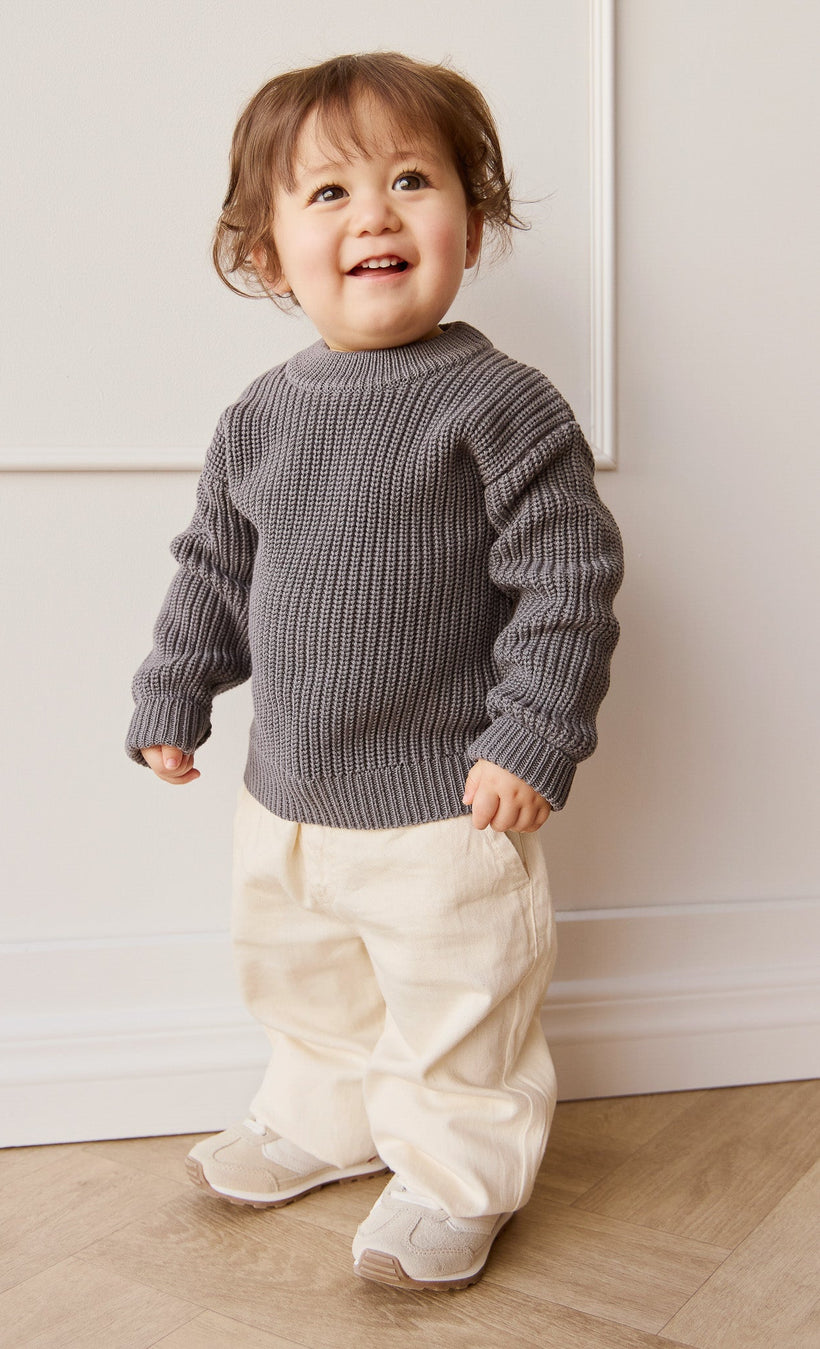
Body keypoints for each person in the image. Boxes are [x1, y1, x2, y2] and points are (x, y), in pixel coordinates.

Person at [126, 50, 623, 1291]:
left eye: (411, 181)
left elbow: (567, 585)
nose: (376, 216)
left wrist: (532, 734)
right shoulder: (259, 415)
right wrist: (174, 687)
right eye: (330, 193)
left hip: (446, 804)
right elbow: (214, 570)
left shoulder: (501, 405)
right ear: (267, 251)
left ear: (473, 222)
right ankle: (326, 1115)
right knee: (305, 979)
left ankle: (457, 1175)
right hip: (287, 793)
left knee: (460, 1003)